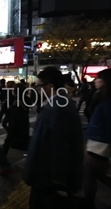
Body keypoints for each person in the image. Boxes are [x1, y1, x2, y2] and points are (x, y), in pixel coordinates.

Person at [24, 66, 84, 209]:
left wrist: (59, 180)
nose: (37, 89)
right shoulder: (57, 104)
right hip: (46, 175)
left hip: (47, 178)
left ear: (50, 86)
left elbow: (60, 146)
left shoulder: (58, 108)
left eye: (39, 86)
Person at [83, 68, 111, 208]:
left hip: (99, 143)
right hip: (97, 142)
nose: (95, 80)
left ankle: (89, 204)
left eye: (99, 78)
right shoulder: (99, 95)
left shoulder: (106, 101)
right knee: (95, 174)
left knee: (90, 174)